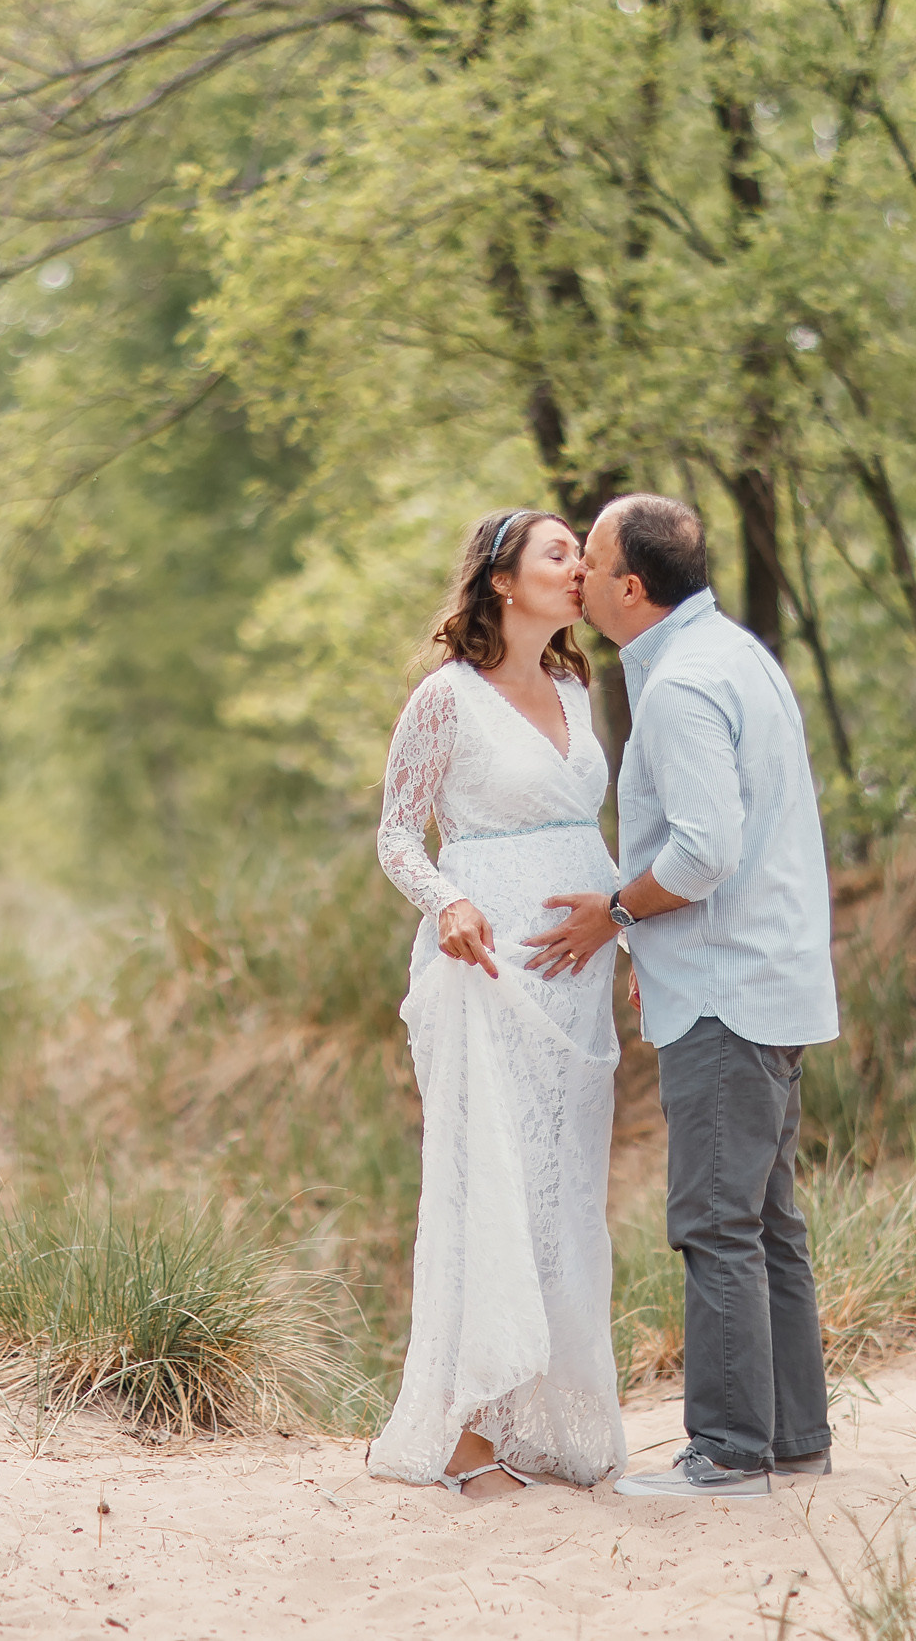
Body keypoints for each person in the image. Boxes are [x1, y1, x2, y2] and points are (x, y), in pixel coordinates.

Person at [522, 492, 840, 1501]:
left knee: (714, 1220)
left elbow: (703, 853)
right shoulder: (736, 655)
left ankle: (729, 1451)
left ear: (630, 586)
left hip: (726, 991)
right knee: (766, 1220)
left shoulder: (681, 686)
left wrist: (615, 913)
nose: (577, 575)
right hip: (765, 975)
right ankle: (793, 1438)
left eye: (590, 558)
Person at [367, 508, 627, 1499]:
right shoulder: (446, 698)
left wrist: (626, 930)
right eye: (559, 553)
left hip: (577, 976)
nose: (580, 567)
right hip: (487, 967)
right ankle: (470, 1434)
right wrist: (447, 900)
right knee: (493, 1180)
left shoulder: (575, 688)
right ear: (503, 581)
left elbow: (586, 829)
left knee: (564, 1188)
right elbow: (397, 833)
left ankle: (542, 1422)